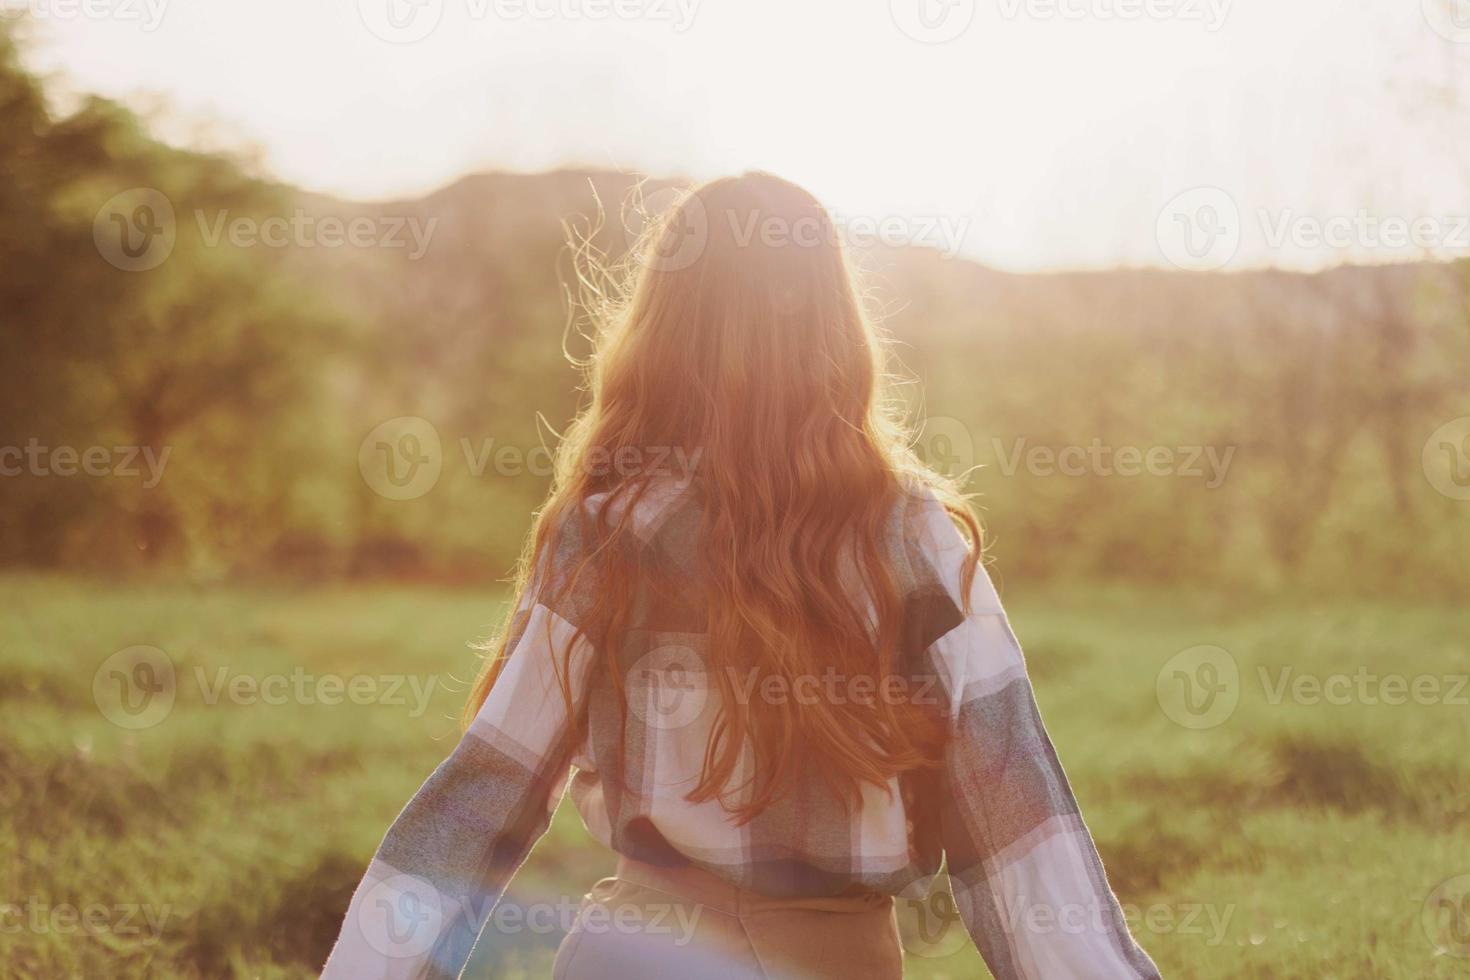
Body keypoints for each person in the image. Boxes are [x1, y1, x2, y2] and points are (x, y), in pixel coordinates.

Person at [322, 172, 1161, 980]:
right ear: (835, 326)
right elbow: (1016, 829)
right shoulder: (915, 539)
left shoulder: (604, 531)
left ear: (663, 326)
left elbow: (481, 799)